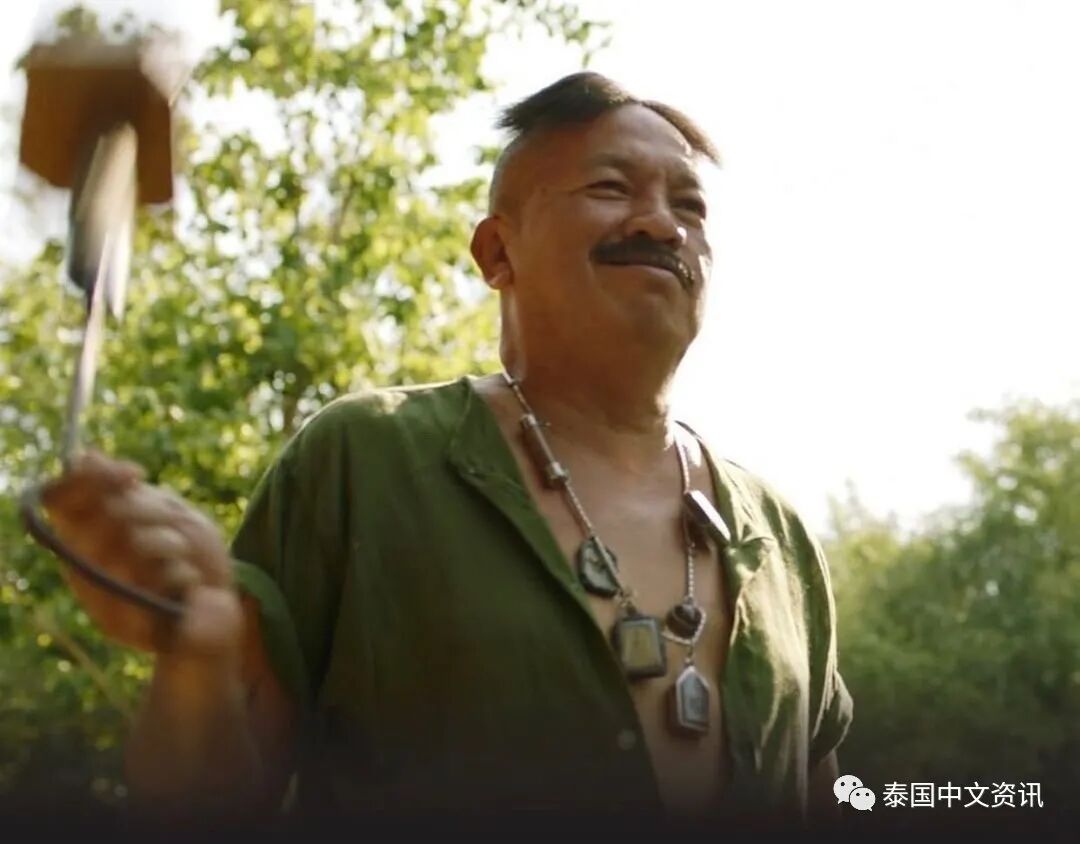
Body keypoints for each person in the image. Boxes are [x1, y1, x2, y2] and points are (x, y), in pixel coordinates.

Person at [41, 72, 853, 828]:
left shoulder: (780, 539)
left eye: (690, 206)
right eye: (611, 188)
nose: (660, 224)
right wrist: (198, 663)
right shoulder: (366, 460)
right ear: (498, 253)